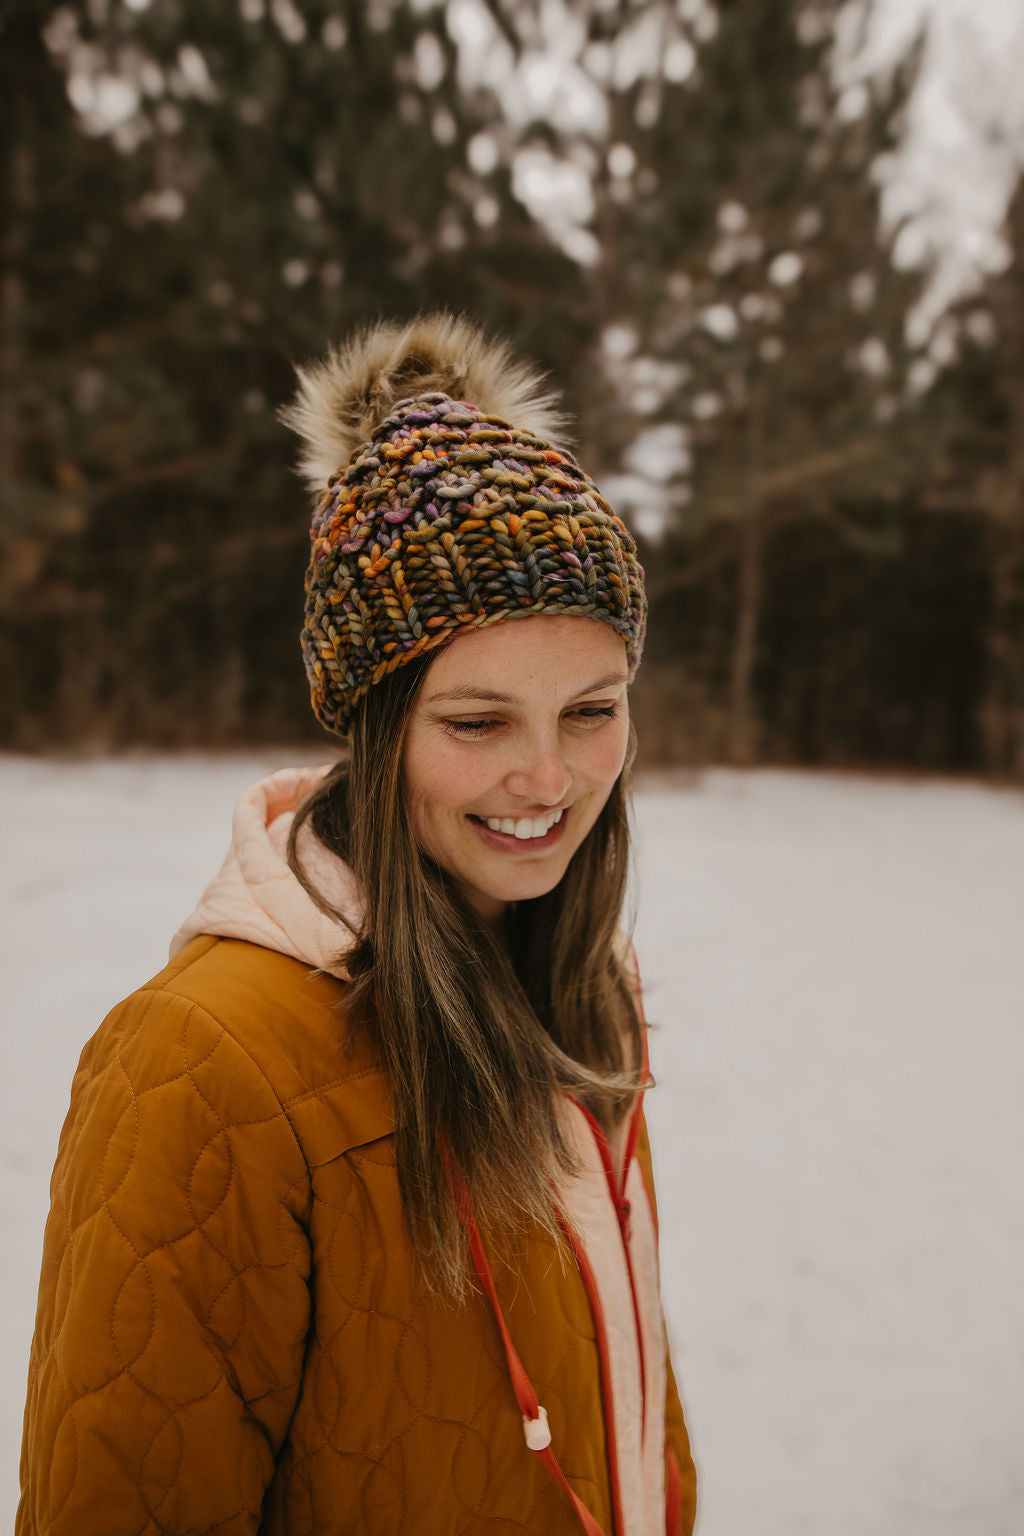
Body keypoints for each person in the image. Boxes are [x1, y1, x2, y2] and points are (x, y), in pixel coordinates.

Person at [17, 312, 697, 1535]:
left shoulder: (584, 991)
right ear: (378, 731)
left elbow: (625, 1404)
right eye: (478, 723)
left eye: (589, 710)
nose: (546, 779)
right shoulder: (205, 1067)